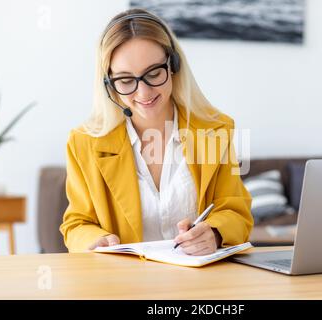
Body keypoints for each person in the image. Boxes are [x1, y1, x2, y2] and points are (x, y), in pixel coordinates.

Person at [60, 8, 253, 255]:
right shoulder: (84, 142)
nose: (144, 93)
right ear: (109, 84)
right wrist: (96, 240)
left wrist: (214, 232)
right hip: (125, 287)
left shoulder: (215, 131)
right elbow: (76, 224)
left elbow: (237, 211)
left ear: (173, 66)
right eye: (126, 80)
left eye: (153, 73)